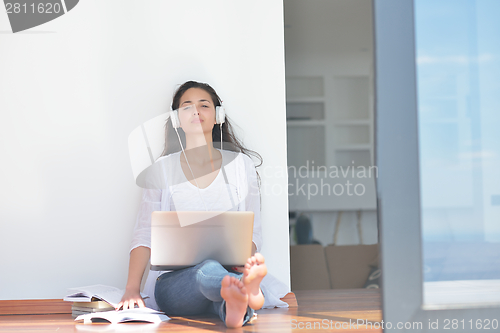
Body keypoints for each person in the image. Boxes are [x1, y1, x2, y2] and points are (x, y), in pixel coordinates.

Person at [118, 81, 267, 328]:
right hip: (175, 286)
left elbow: (254, 232)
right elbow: (144, 234)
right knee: (207, 271)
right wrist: (132, 289)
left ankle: (235, 308)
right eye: (187, 106)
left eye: (204, 105)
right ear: (177, 119)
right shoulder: (161, 170)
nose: (196, 111)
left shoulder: (242, 167)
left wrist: (245, 257)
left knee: (223, 289)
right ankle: (244, 291)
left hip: (229, 274)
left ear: (218, 115)